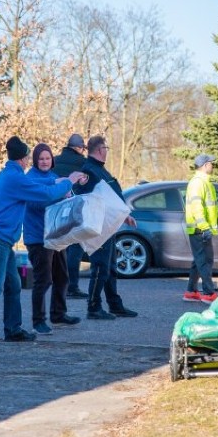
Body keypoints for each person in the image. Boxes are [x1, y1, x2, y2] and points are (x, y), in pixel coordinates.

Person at [0, 136, 87, 351]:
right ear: (25, 158)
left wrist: (59, 180)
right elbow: (44, 193)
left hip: (3, 240)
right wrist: (67, 182)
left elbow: (39, 182)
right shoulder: (15, 178)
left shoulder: (10, 174)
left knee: (13, 285)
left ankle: (13, 329)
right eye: (28, 157)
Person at [75, 135, 138, 320]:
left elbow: (109, 197)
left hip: (109, 225)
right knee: (100, 267)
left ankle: (115, 305)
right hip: (99, 227)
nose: (107, 152)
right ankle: (93, 307)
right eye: (106, 149)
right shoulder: (89, 170)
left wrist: (124, 215)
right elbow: (83, 196)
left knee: (110, 268)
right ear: (100, 149)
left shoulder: (100, 170)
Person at [24, 143, 82, 335]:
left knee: (62, 277)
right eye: (41, 159)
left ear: (52, 160)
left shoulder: (54, 177)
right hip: (39, 238)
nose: (44, 161)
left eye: (47, 158)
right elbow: (36, 202)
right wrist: (57, 191)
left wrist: (68, 193)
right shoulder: (30, 179)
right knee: (43, 280)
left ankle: (58, 313)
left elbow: (63, 198)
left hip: (56, 235)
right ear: (35, 160)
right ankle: (38, 320)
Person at [183, 154, 218, 303]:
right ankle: (208, 294)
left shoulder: (205, 182)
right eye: (211, 163)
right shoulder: (198, 183)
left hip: (200, 228)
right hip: (199, 229)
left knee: (199, 260)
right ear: (205, 165)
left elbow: (212, 208)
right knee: (205, 261)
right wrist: (204, 227)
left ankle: (191, 292)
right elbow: (197, 208)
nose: (212, 166)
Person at [52, 133, 88, 299]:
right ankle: (72, 286)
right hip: (75, 209)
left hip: (55, 210)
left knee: (59, 249)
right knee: (75, 249)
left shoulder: (55, 160)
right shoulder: (83, 163)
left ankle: (58, 284)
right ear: (79, 148)